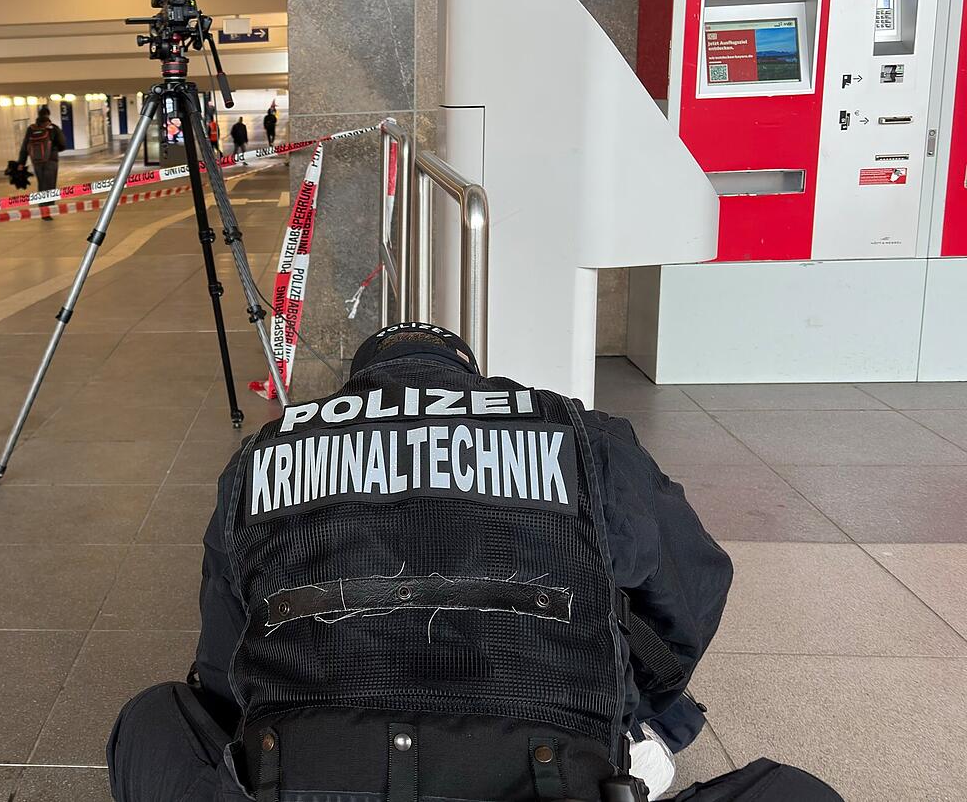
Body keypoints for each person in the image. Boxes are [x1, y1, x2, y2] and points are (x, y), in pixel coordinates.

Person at [108, 323, 845, 802]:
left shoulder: (264, 455)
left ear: (358, 387)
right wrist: (634, 704)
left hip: (300, 774)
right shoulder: (584, 435)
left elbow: (222, 665)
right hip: (551, 775)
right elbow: (691, 595)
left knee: (150, 718)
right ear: (468, 378)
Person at [17, 105, 68, 221]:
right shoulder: (53, 128)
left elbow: (25, 146)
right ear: (48, 115)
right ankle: (47, 211)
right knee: (50, 186)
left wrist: (21, 162)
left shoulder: (31, 129)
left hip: (37, 161)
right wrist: (54, 149)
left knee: (42, 185)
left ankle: (42, 208)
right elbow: (63, 144)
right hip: (51, 161)